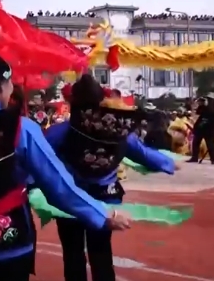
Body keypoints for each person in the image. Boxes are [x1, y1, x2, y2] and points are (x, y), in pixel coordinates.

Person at [0, 55, 131, 281]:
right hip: (5, 242)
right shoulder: (21, 128)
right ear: (1, 87)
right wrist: (102, 215)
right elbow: (58, 187)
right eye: (10, 83)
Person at [46, 74, 176, 281]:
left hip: (71, 198)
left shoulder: (60, 131)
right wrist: (167, 163)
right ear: (101, 100)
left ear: (71, 101)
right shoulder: (116, 129)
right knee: (101, 252)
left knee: (72, 253)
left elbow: (38, 158)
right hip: (105, 199)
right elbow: (141, 152)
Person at [188, 93, 214, 164]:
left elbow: (212, 118)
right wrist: (201, 105)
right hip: (202, 128)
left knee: (210, 144)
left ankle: (213, 158)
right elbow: (199, 112)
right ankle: (195, 157)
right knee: (196, 142)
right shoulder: (206, 106)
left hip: (208, 129)